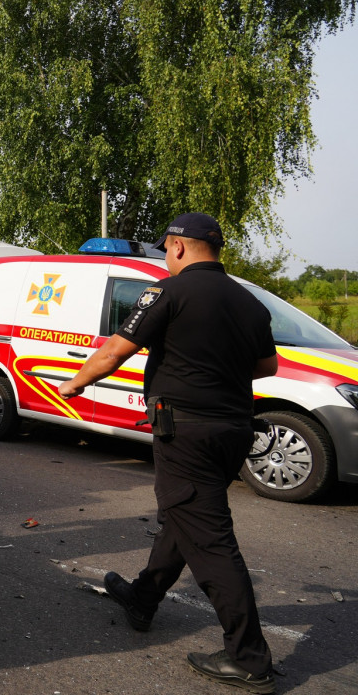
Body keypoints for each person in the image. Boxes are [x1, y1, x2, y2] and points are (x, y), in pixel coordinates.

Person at [57, 213, 277, 695]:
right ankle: (142, 598)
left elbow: (115, 350)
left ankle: (249, 658)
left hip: (187, 434)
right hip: (233, 432)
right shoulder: (249, 301)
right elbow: (266, 365)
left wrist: (73, 384)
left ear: (177, 248)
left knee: (212, 542)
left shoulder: (167, 292)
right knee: (185, 516)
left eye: (167, 250)